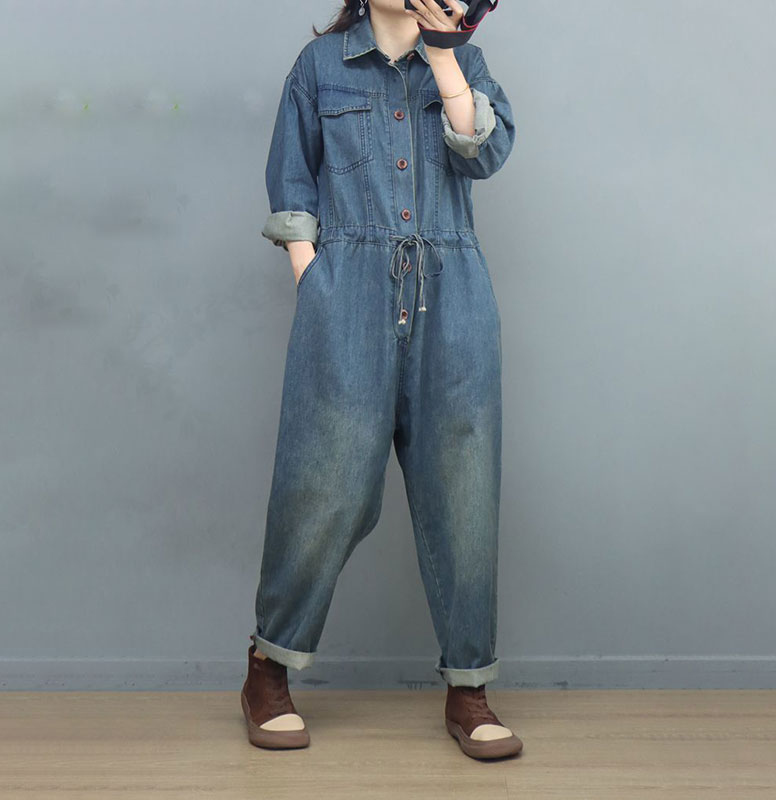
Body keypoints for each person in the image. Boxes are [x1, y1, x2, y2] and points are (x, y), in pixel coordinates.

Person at [240, 0, 521, 760]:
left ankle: (470, 688)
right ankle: (269, 667)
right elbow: (292, 180)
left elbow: (484, 154)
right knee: (325, 484)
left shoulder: (465, 62)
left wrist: (444, 53)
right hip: (348, 293)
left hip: (453, 296)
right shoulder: (321, 67)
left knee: (462, 490)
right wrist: (317, 282)